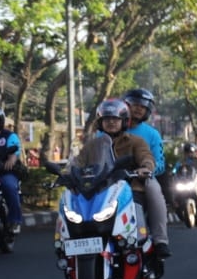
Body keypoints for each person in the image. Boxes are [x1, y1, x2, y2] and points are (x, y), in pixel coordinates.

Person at [70, 98, 164, 255]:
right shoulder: (92, 145)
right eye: (107, 119)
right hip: (98, 190)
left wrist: (145, 168)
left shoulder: (136, 141)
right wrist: (69, 173)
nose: (111, 122)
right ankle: (68, 243)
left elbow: (146, 157)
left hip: (129, 187)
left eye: (115, 119)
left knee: (141, 202)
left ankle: (144, 240)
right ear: (101, 122)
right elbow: (78, 162)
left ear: (124, 121)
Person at [122, 87, 171, 258]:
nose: (137, 108)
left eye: (141, 106)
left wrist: (146, 170)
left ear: (147, 111)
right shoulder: (107, 129)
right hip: (111, 177)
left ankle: (160, 240)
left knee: (154, 190)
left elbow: (159, 163)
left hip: (141, 176)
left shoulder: (152, 134)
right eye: (133, 104)